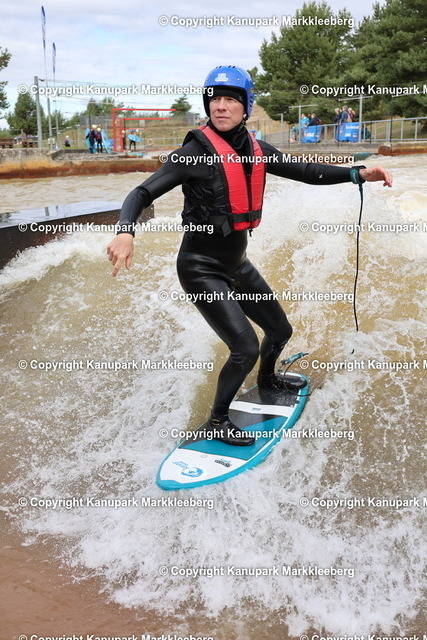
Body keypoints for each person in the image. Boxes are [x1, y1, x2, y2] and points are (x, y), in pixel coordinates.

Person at [107, 65, 392, 447]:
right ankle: (217, 421)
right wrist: (126, 231)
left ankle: (267, 379)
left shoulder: (256, 151)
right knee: (244, 347)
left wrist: (357, 174)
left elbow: (306, 170)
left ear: (246, 106)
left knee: (280, 331)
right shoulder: (192, 154)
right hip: (200, 269)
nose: (220, 106)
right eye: (214, 100)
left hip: (236, 266)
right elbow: (141, 194)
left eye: (230, 100)